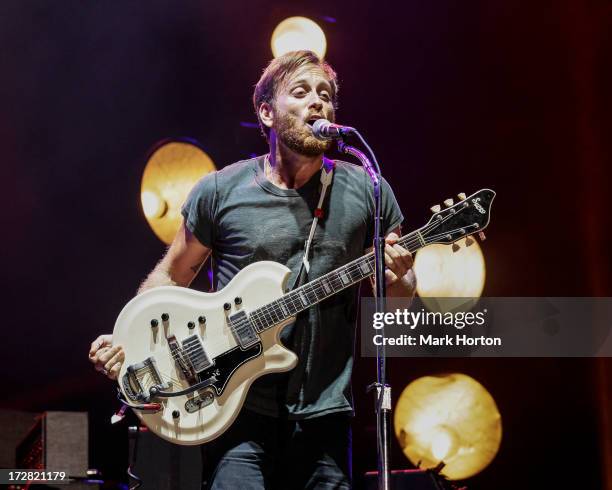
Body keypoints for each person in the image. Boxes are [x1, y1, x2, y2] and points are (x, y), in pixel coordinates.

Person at [89, 50, 416, 489]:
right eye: (300, 92)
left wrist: (401, 276)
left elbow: (395, 300)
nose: (317, 102)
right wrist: (128, 340)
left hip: (326, 415)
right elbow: (169, 278)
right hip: (235, 409)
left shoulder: (367, 188)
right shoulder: (222, 190)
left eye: (326, 94)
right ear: (266, 112)